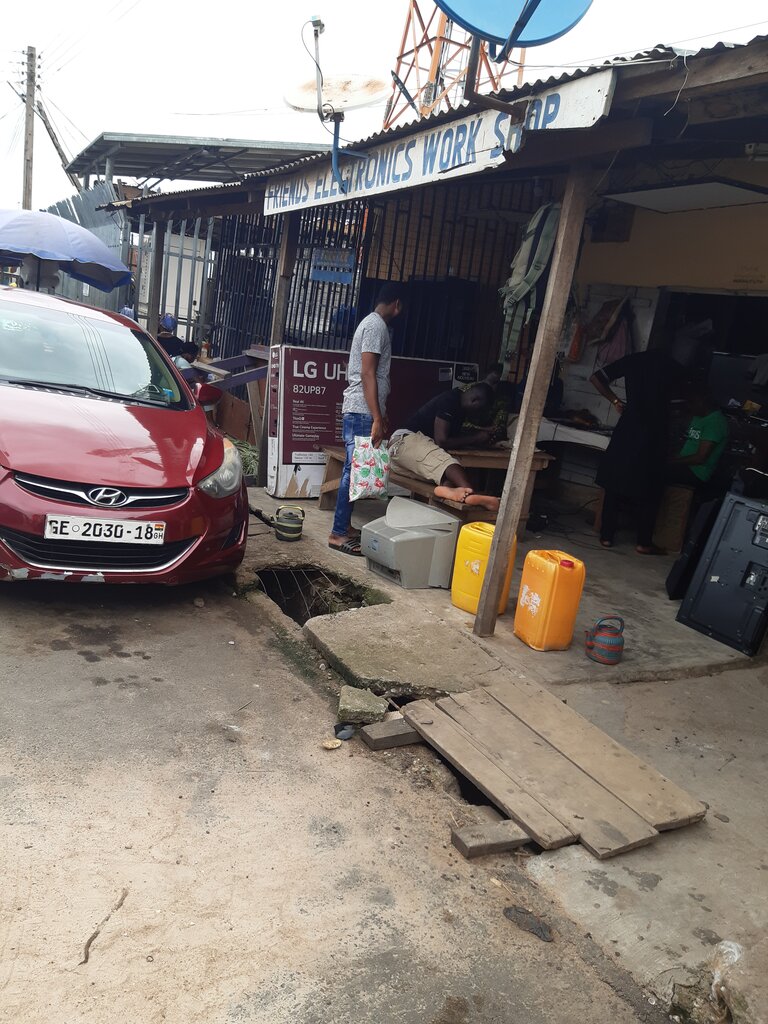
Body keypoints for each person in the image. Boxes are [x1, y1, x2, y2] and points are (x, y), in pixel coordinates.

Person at [328, 283, 405, 557]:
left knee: (355, 469)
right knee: (354, 470)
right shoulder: (375, 327)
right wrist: (375, 416)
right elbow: (368, 373)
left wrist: (380, 414)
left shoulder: (372, 325)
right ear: (397, 304)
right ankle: (338, 533)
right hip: (362, 410)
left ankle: (344, 527)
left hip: (365, 409)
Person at [590, 349, 683, 554]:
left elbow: (596, 378)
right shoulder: (673, 367)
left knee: (614, 480)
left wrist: (616, 401)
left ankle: (606, 536)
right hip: (656, 430)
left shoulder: (634, 360)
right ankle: (643, 542)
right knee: (651, 485)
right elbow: (679, 405)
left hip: (629, 425)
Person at [389, 383, 501, 511]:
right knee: (447, 462)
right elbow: (442, 440)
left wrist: (479, 436)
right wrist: (476, 438)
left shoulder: (458, 406)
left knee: (443, 476)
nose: (475, 415)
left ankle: (450, 489)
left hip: (400, 458)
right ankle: (471, 493)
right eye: (478, 410)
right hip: (404, 442)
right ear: (474, 400)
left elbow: (454, 437)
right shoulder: (450, 400)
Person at [668, 386, 729, 488]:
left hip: (697, 473)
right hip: (685, 466)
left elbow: (700, 458)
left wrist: (672, 462)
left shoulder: (715, 422)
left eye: (691, 403)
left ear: (701, 402)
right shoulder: (698, 417)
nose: (689, 407)